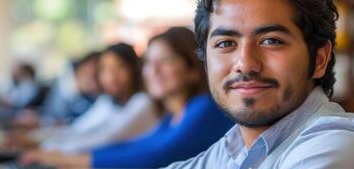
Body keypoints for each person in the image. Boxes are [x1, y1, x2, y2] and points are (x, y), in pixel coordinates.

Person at [163, 0, 354, 168]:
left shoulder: (340, 147)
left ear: (319, 59)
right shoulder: (232, 149)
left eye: (271, 41)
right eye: (226, 44)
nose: (246, 64)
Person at [19, 27, 234, 168]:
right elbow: (137, 146)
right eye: (149, 62)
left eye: (166, 60)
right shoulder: (172, 117)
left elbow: (154, 156)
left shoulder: (204, 108)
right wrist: (58, 157)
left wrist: (62, 158)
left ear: (193, 69)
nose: (154, 70)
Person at [40, 43, 160, 153]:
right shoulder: (107, 101)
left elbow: (105, 138)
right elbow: (79, 129)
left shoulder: (143, 102)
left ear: (134, 69)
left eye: (120, 67)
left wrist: (48, 149)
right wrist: (39, 139)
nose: (111, 76)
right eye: (105, 69)